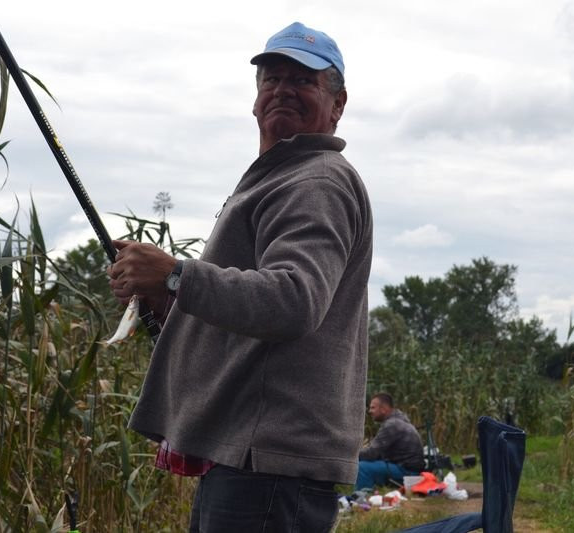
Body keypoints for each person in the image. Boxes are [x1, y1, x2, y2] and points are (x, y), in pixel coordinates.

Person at [107, 21, 372, 532]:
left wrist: (178, 273)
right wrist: (163, 295)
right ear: (255, 99)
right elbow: (252, 315)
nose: (283, 90)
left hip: (269, 462)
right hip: (253, 460)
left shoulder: (316, 179)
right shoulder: (283, 178)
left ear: (337, 105)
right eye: (272, 78)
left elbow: (295, 300)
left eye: (303, 80)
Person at [356, 393, 425, 491]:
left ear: (383, 409)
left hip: (407, 472)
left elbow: (371, 454)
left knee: (362, 467)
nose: (370, 411)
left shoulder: (392, 425)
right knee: (368, 463)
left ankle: (361, 498)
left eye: (373, 408)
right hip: (409, 468)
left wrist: (350, 455)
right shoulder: (399, 420)